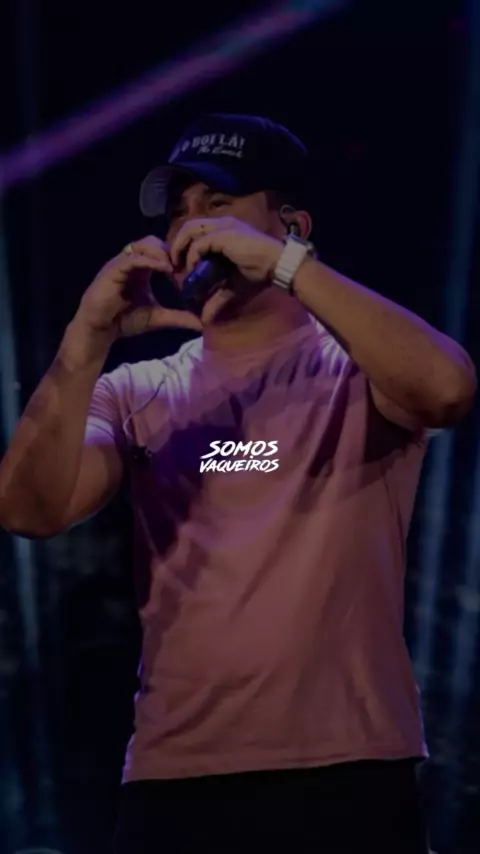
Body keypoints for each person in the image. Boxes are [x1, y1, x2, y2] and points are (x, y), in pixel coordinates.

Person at [0, 113, 476, 853]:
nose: (191, 227)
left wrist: (287, 267)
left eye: (217, 204)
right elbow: (30, 510)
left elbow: (447, 390)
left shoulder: (355, 367)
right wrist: (85, 339)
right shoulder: (136, 389)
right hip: (173, 779)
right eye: (178, 211)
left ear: (291, 225)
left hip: (345, 772)